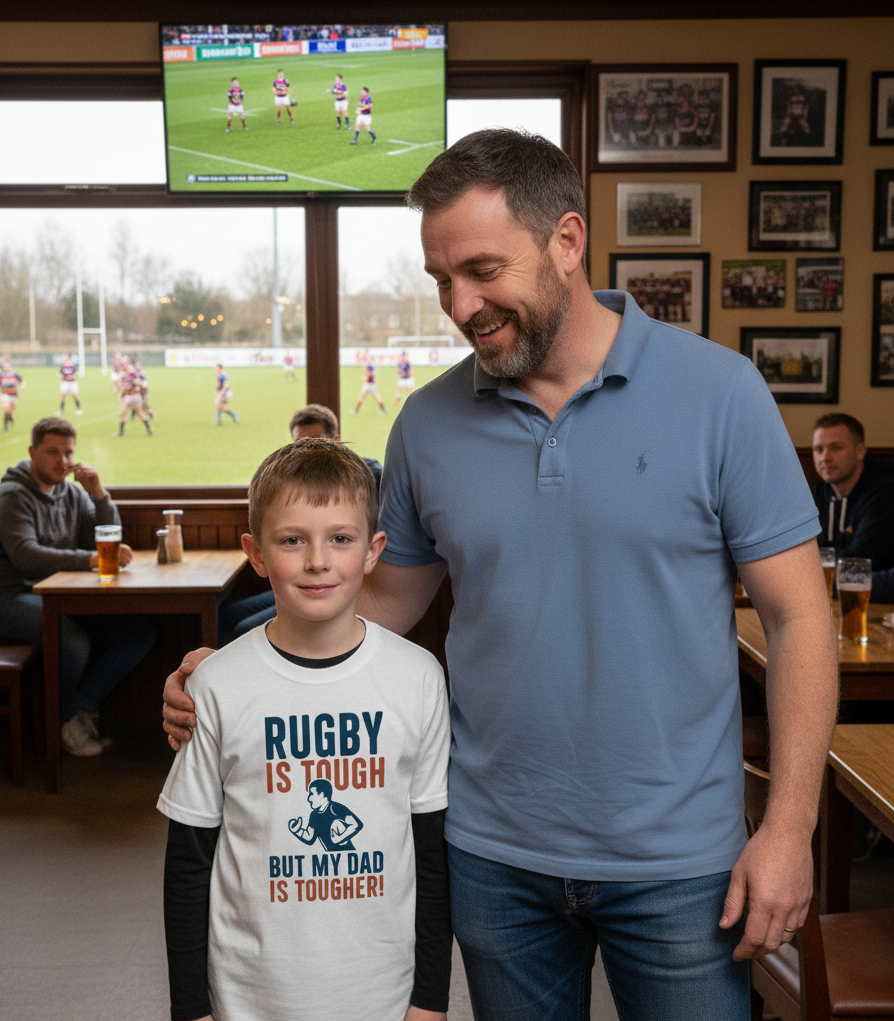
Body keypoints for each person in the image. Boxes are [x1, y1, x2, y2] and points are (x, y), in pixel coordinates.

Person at [163, 129, 839, 1021]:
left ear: (567, 241)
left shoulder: (722, 392)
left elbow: (799, 619)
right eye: (441, 278)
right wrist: (236, 664)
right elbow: (381, 605)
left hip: (681, 862)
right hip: (492, 855)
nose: (460, 303)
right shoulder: (426, 422)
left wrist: (790, 827)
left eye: (482, 269)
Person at [158, 438, 451, 1021]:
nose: (317, 560)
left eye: (340, 539)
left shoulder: (418, 677)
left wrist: (429, 999)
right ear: (257, 554)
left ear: (373, 552)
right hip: (250, 996)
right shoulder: (217, 684)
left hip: (383, 995)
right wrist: (192, 1008)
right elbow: (189, 863)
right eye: (293, 540)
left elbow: (431, 854)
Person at [0, 416, 155, 756]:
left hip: (59, 595)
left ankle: (78, 708)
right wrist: (90, 560)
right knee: (71, 641)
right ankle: (66, 718)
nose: (63, 461)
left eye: (68, 453)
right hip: (11, 596)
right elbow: (26, 556)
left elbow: (104, 537)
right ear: (32, 452)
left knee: (136, 634)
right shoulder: (12, 495)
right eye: (52, 452)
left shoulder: (70, 492)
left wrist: (98, 494)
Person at [218, 404, 383, 645]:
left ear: (336, 440)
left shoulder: (367, 479)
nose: (307, 449)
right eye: (292, 540)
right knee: (229, 615)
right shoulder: (287, 483)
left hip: (350, 586)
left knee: (244, 628)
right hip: (301, 585)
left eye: (339, 538)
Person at [811, 413, 894, 570]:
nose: (825, 457)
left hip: (874, 591)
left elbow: (861, 558)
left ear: (860, 451)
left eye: (836, 448)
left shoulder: (885, 493)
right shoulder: (814, 495)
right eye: (819, 450)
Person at [114, 362, 153, 437]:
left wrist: (123, 389)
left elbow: (135, 387)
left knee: (139, 413)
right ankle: (121, 431)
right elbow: (122, 386)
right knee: (123, 412)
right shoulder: (127, 377)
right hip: (132, 396)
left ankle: (149, 428)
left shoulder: (134, 376)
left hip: (133, 396)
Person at [1, 359, 23, 432]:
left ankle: (11, 418)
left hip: (14, 395)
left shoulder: (15, 374)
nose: (6, 368)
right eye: (5, 367)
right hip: (5, 394)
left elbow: (21, 382)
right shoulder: (1, 375)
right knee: (7, 410)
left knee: (10, 411)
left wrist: (18, 384)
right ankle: (5, 426)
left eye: (7, 367)